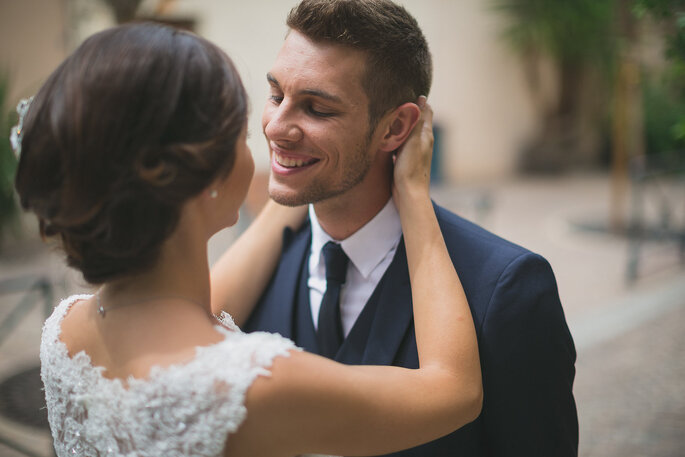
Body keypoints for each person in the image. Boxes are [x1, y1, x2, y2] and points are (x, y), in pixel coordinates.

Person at [15, 23, 482, 457]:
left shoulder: (66, 333)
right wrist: (414, 194)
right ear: (203, 178)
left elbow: (197, 305)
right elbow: (454, 389)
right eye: (241, 131)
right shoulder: (257, 382)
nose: (273, 131)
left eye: (314, 106)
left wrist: (304, 174)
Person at [212, 1, 579, 455]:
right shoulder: (249, 274)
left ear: (397, 127)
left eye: (316, 108)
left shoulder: (506, 289)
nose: (276, 127)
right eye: (275, 95)